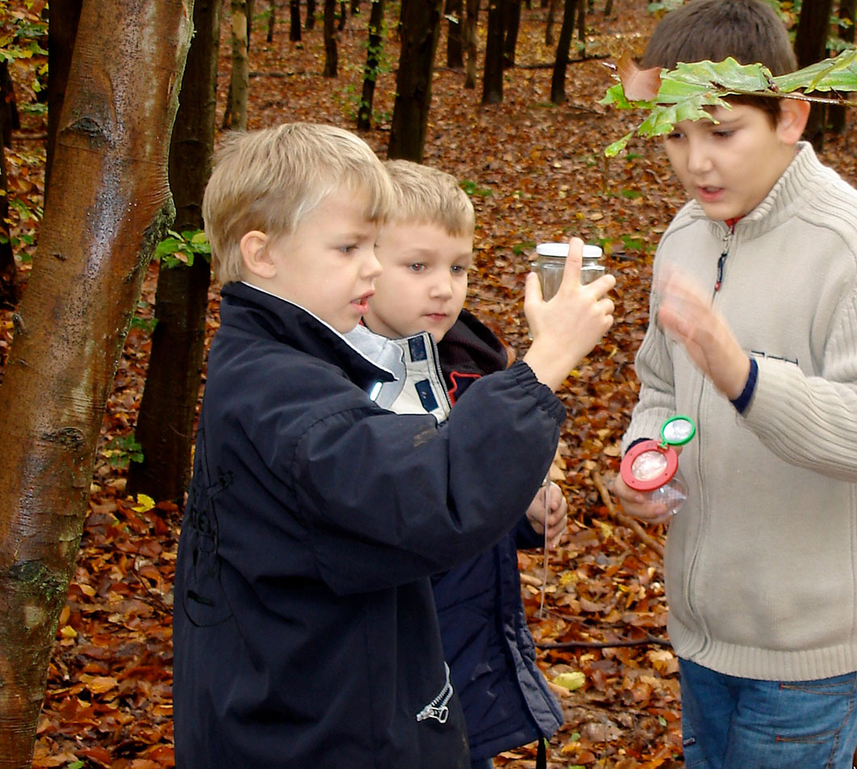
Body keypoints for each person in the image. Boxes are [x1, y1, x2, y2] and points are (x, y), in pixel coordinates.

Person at [173, 123, 615, 768]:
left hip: (320, 707)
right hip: (314, 731)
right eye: (350, 247)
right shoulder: (280, 391)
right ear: (263, 254)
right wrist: (543, 364)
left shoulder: (283, 364)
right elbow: (425, 498)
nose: (372, 268)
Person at [608, 0, 857, 769]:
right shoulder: (685, 234)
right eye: (676, 136)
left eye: (721, 132)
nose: (696, 162)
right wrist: (643, 454)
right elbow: (659, 385)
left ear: (790, 116)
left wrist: (746, 377)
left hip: (806, 657)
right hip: (702, 630)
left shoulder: (850, 244)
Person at [344, 159, 566, 769]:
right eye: (418, 266)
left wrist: (526, 509)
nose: (445, 287)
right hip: (383, 673)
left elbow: (476, 494)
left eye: (459, 267)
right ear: (363, 261)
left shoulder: (471, 367)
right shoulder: (341, 383)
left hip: (466, 662)